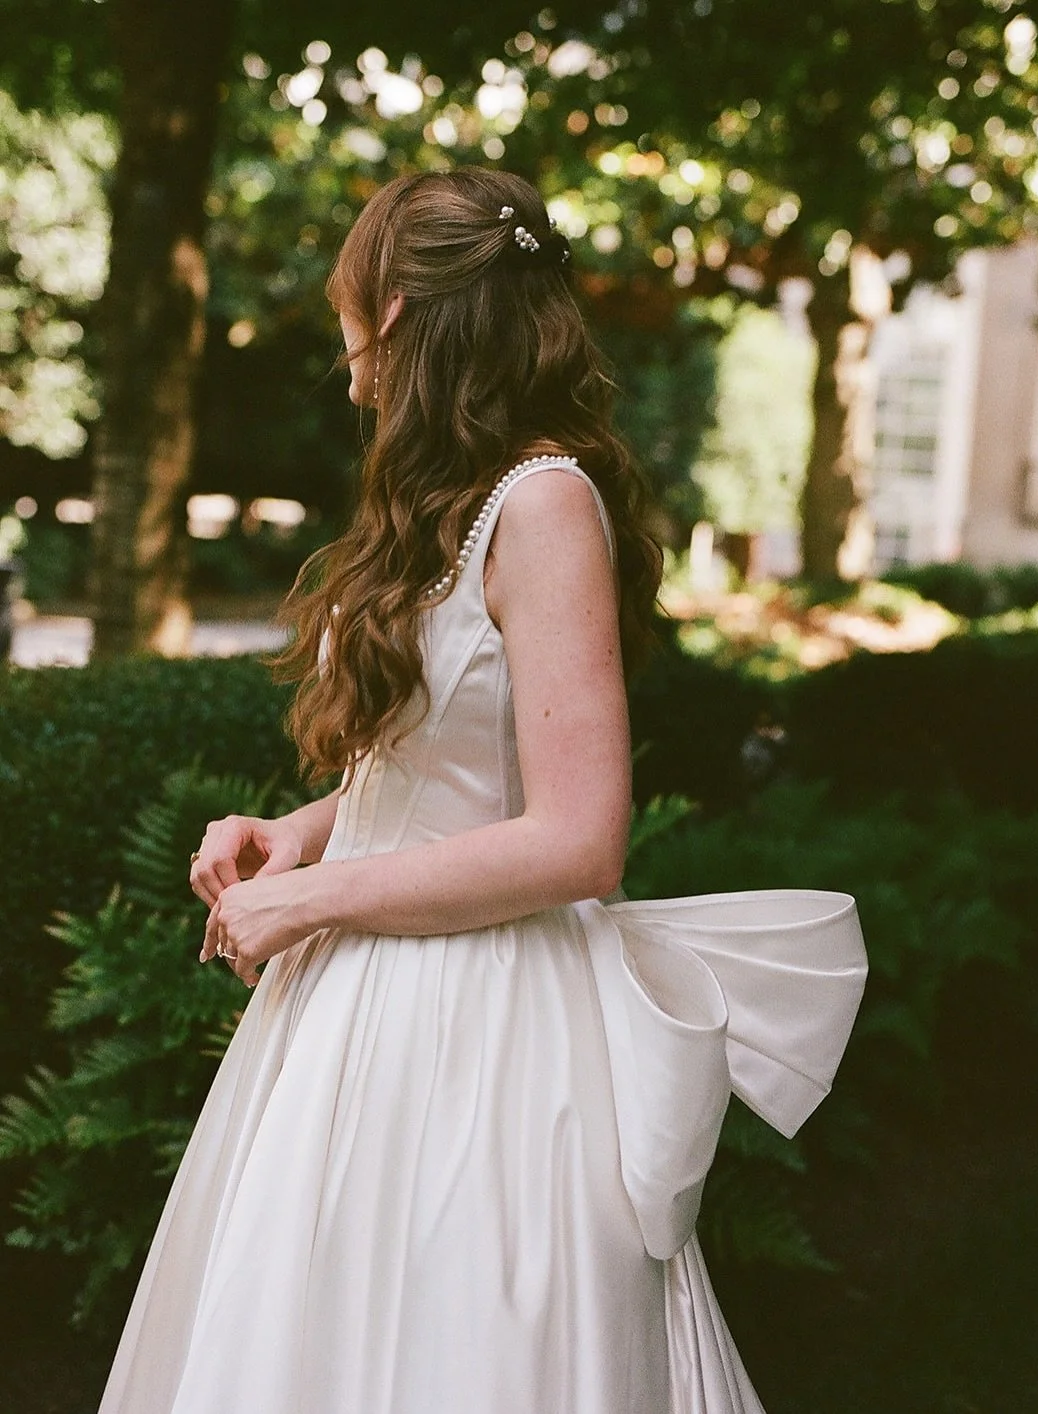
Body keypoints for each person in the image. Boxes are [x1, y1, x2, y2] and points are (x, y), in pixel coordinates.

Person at [97, 167, 867, 1414]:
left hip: (488, 1020)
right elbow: (433, 768)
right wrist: (295, 835)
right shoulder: (440, 498)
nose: (342, 342)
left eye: (351, 302)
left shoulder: (545, 504)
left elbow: (577, 838)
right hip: (361, 1005)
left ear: (396, 309)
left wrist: (317, 902)